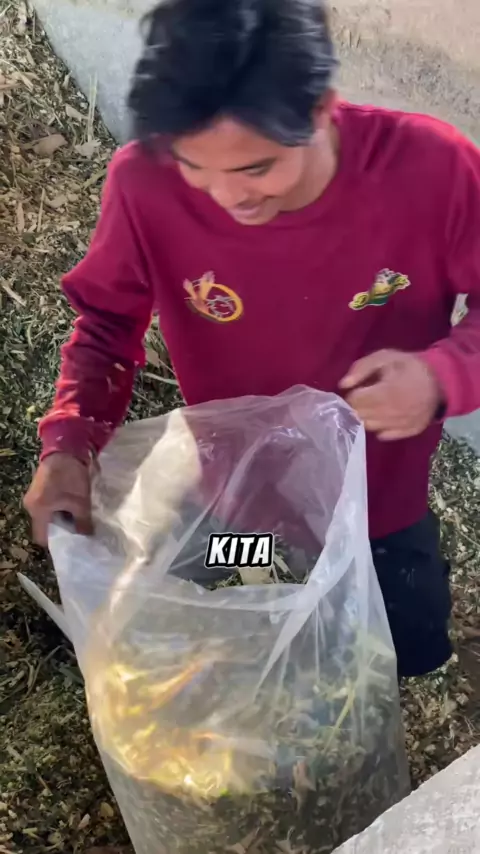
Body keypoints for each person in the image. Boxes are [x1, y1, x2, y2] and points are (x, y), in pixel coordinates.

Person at [24, 0, 480, 679]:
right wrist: (68, 444)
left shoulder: (430, 170)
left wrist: (443, 376)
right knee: (239, 613)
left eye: (257, 168)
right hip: (240, 490)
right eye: (193, 164)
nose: (225, 196)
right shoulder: (143, 183)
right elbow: (106, 324)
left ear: (321, 109)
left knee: (404, 646)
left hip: (377, 495)